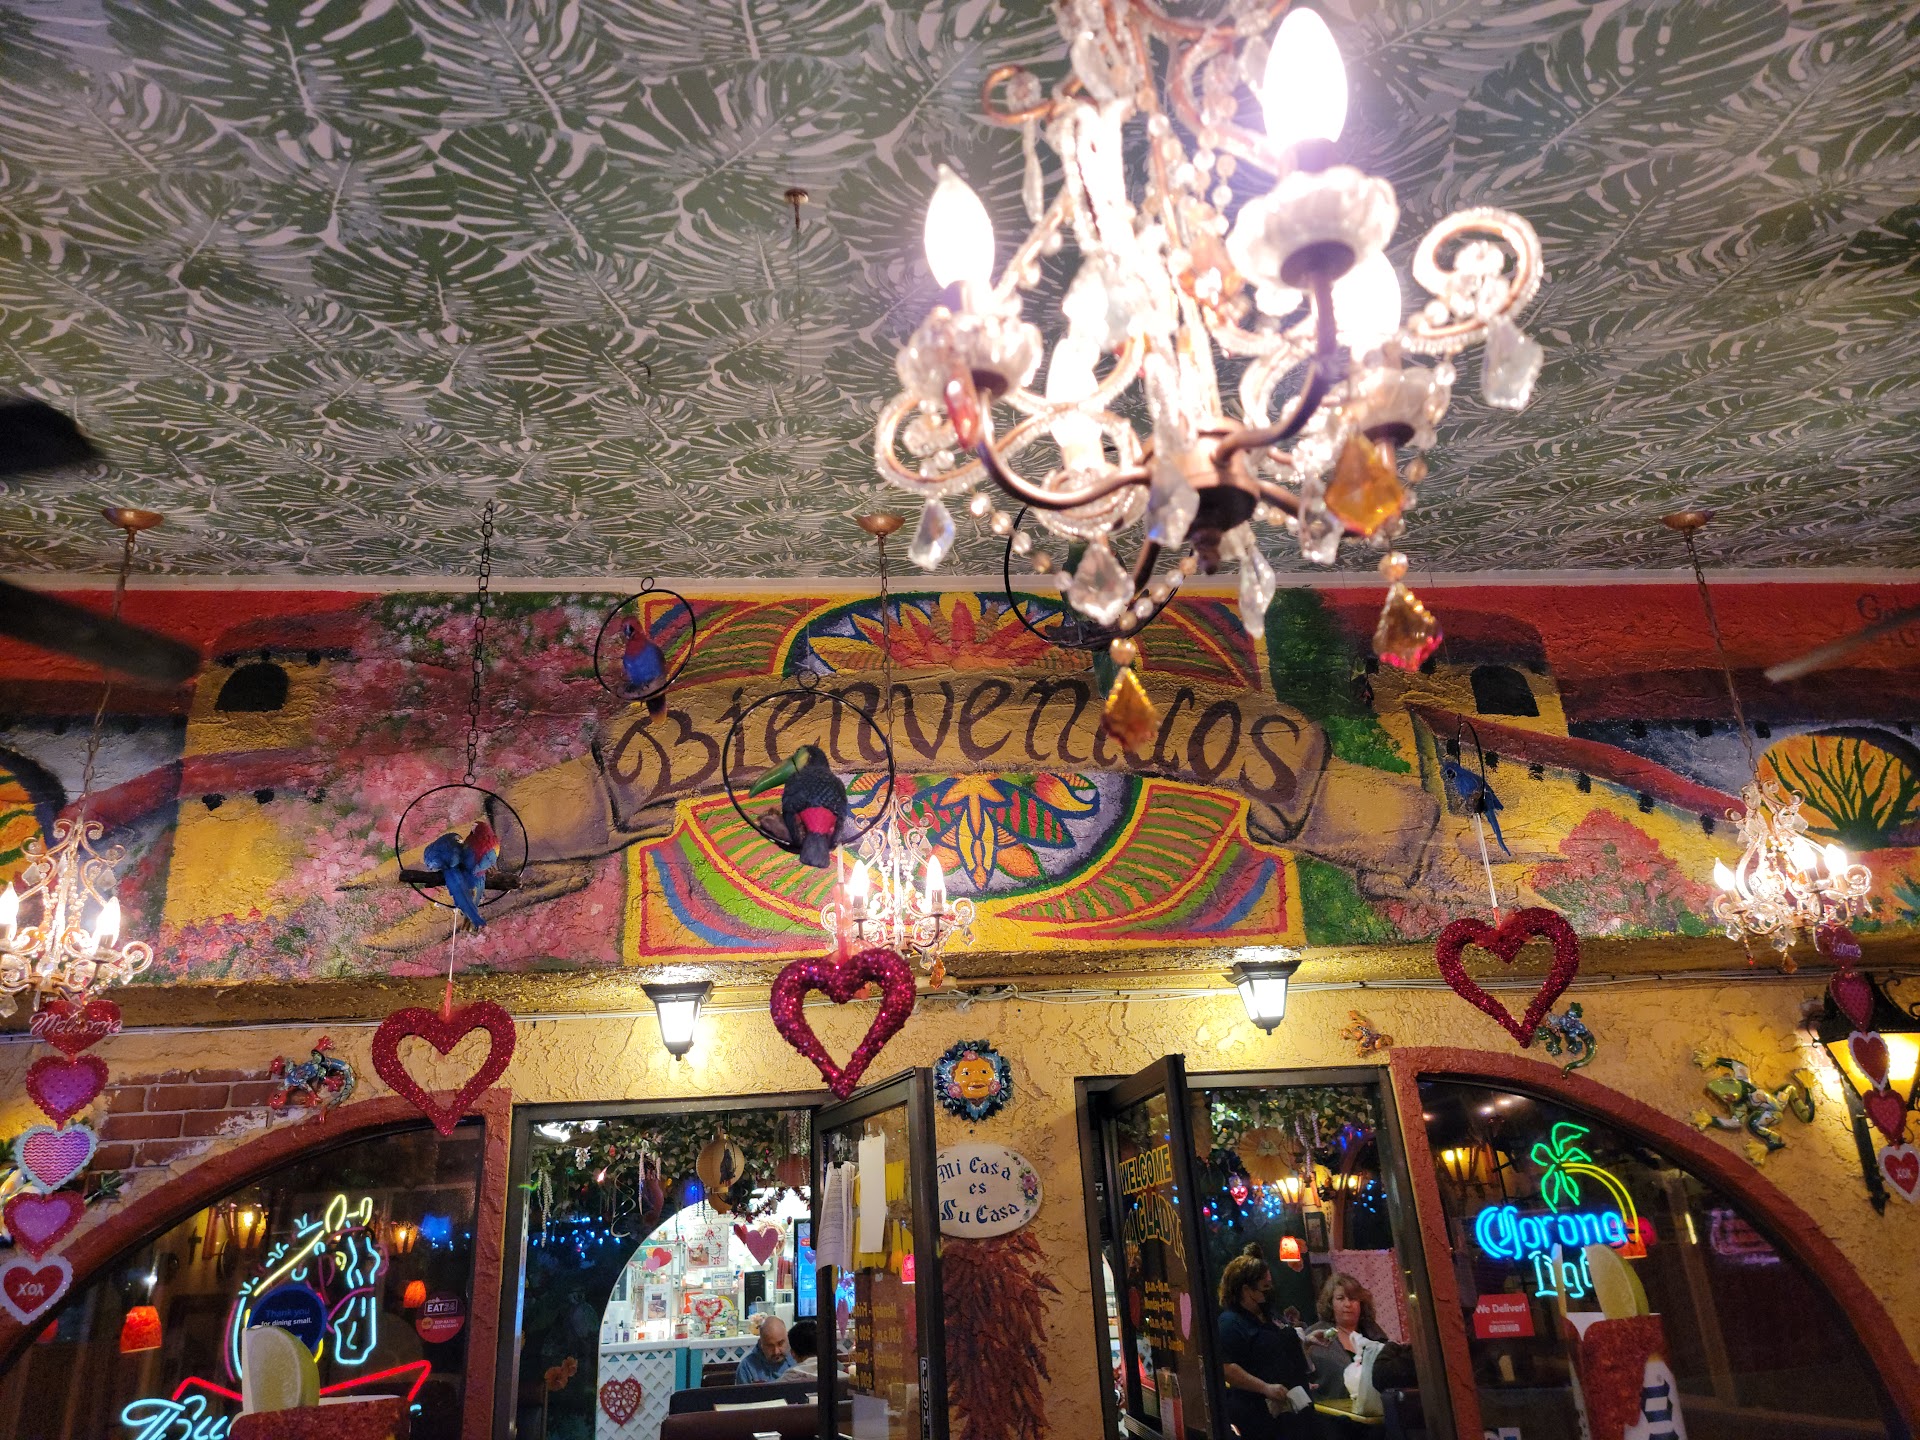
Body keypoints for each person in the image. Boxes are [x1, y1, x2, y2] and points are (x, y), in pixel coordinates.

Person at [1215, 1243, 1315, 1439]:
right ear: (1247, 1290)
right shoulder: (1231, 1322)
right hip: (1259, 1414)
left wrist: (1308, 1341)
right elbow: (1227, 1368)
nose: (1270, 1291)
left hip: (1296, 1407)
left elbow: (1281, 1348)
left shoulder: (1270, 1315)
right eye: (1265, 1286)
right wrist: (1265, 1388)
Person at [736, 1315, 792, 1383]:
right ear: (761, 1343)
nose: (776, 1351)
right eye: (770, 1346)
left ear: (787, 1338)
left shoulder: (799, 1357)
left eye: (780, 1344)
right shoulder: (747, 1367)